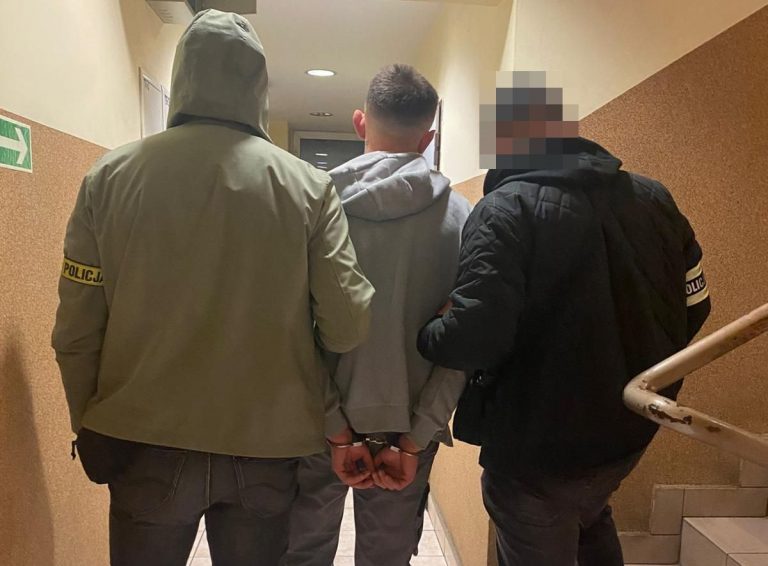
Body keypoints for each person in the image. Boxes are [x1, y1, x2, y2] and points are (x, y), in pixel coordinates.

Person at [52, 10, 373, 566]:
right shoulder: (309, 189)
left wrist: (93, 424)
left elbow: (75, 333)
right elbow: (346, 327)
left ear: (182, 76)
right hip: (266, 445)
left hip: (142, 440)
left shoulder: (108, 178)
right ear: (258, 86)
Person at [417, 76, 711, 566]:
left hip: (536, 444)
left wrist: (428, 332)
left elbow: (475, 338)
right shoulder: (654, 197)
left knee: (550, 522)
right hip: (627, 429)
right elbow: (696, 305)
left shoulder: (504, 210)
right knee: (588, 514)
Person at [284, 64, 471, 566]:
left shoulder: (309, 208)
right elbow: (462, 343)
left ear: (360, 122)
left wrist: (335, 427)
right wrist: (414, 440)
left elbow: (289, 332)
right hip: (408, 426)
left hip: (316, 424)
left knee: (302, 554)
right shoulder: (463, 217)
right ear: (428, 138)